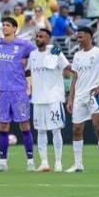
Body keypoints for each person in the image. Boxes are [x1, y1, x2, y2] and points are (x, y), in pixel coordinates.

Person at [66, 26, 99, 174]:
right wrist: (70, 98)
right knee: (76, 130)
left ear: (89, 37)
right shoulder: (77, 56)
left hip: (94, 96)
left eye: (81, 37)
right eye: (77, 37)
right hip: (79, 97)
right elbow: (75, 77)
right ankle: (78, 164)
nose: (78, 40)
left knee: (98, 127)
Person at [0, 17, 36, 170]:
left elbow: (38, 57)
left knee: (24, 125)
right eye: (3, 25)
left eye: (8, 25)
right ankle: (3, 163)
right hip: (2, 91)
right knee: (2, 126)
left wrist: (28, 68)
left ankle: (30, 162)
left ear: (15, 29)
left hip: (19, 92)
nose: (4, 27)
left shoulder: (24, 45)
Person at [27, 27, 70, 173]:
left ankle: (58, 162)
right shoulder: (32, 54)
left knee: (56, 130)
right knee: (40, 131)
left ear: (48, 39)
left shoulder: (56, 52)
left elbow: (68, 68)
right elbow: (27, 71)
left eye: (42, 36)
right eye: (37, 36)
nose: (38, 38)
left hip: (53, 98)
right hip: (37, 99)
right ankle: (44, 162)